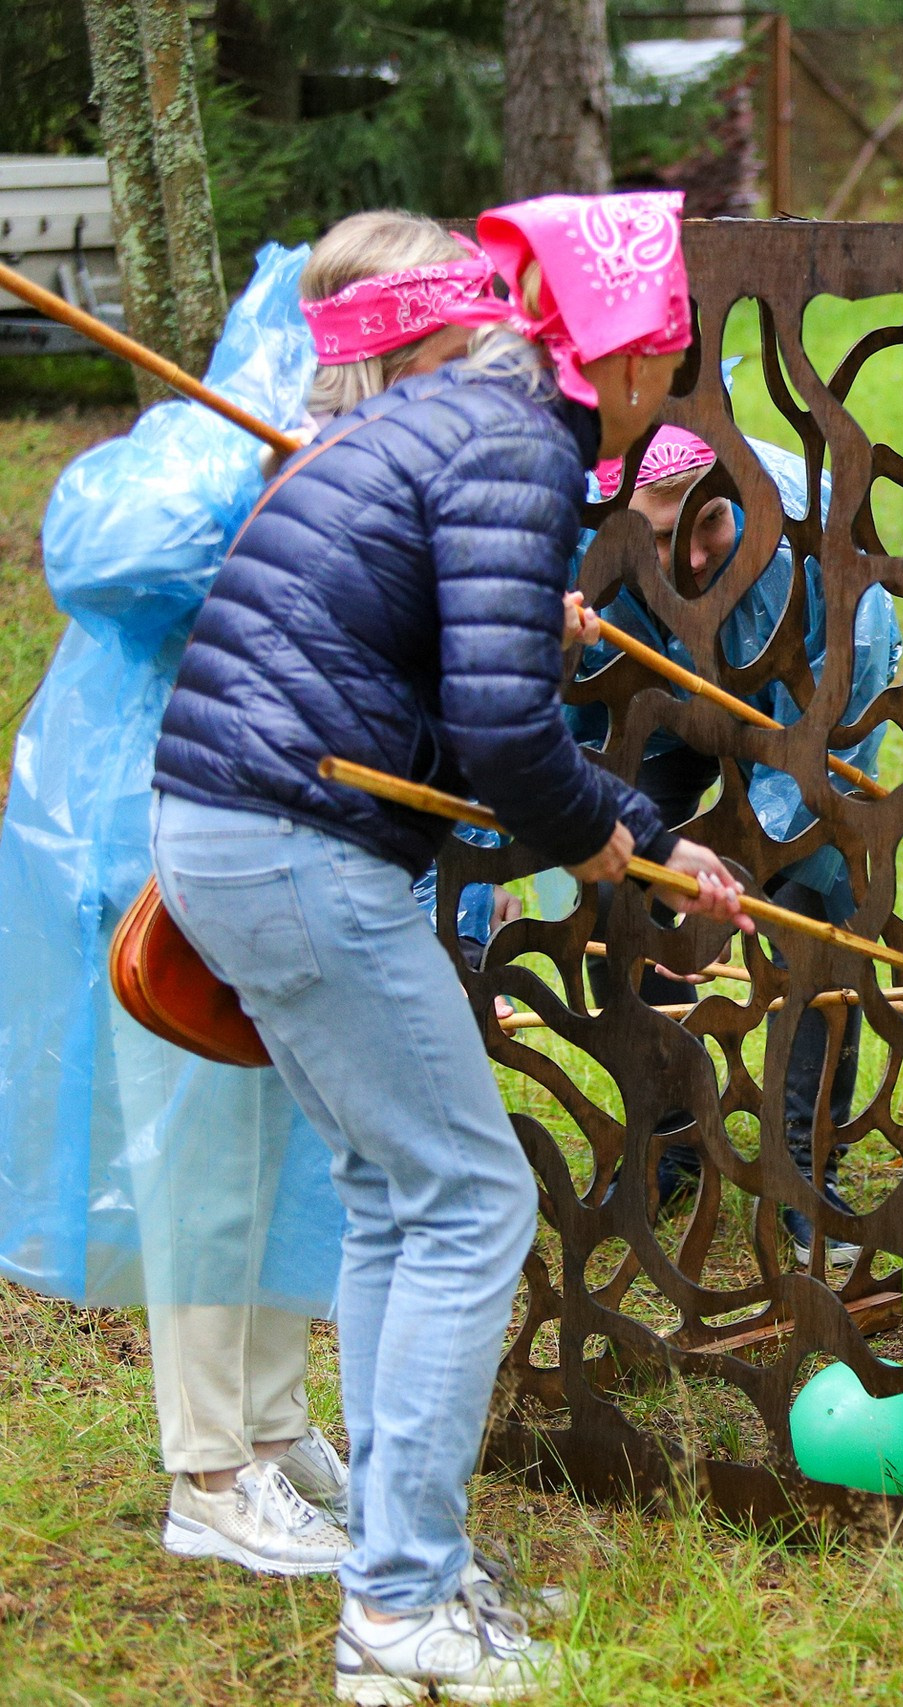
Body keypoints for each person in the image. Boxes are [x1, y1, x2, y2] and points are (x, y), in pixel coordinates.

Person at [150, 190, 751, 1704]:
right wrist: (599, 832)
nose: (659, 387)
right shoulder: (517, 439)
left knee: (393, 1197)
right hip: (292, 839)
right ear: (628, 348)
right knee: (473, 1200)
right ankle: (402, 1612)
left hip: (235, 824)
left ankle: (405, 1565)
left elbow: (456, 674)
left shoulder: (455, 411)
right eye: (663, 357)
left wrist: (652, 836)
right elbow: (497, 729)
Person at [0, 211, 531, 1585]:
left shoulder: (382, 437)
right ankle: (208, 1467)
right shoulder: (216, 434)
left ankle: (279, 1426)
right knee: (207, 1164)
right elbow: (109, 554)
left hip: (300, 811)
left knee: (301, 1152)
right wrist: (258, 477)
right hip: (159, 821)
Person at [573, 421, 903, 1265]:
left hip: (801, 721)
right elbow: (569, 720)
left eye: (707, 525)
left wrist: (734, 882)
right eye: (652, 538)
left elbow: (820, 753)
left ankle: (803, 1160)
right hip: (660, 698)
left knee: (811, 918)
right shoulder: (587, 526)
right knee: (624, 892)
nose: (684, 561)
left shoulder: (824, 553)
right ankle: (672, 1133)